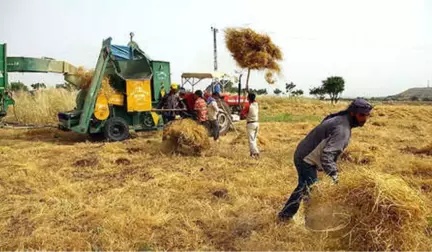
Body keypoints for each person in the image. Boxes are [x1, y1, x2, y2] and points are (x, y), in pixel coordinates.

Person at [278, 98, 373, 221]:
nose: (364, 119)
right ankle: (306, 221)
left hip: (304, 154)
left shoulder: (340, 119)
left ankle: (287, 216)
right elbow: (327, 155)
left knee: (304, 188)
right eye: (361, 115)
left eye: (367, 115)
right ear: (353, 113)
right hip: (306, 159)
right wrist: (334, 176)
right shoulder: (342, 128)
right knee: (311, 191)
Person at [240, 93, 259, 158]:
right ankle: (252, 153)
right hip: (256, 123)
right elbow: (253, 100)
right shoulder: (256, 104)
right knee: (254, 139)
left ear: (248, 98)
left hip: (250, 124)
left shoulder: (248, 106)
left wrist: (242, 109)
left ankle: (255, 153)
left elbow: (242, 114)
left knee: (251, 140)